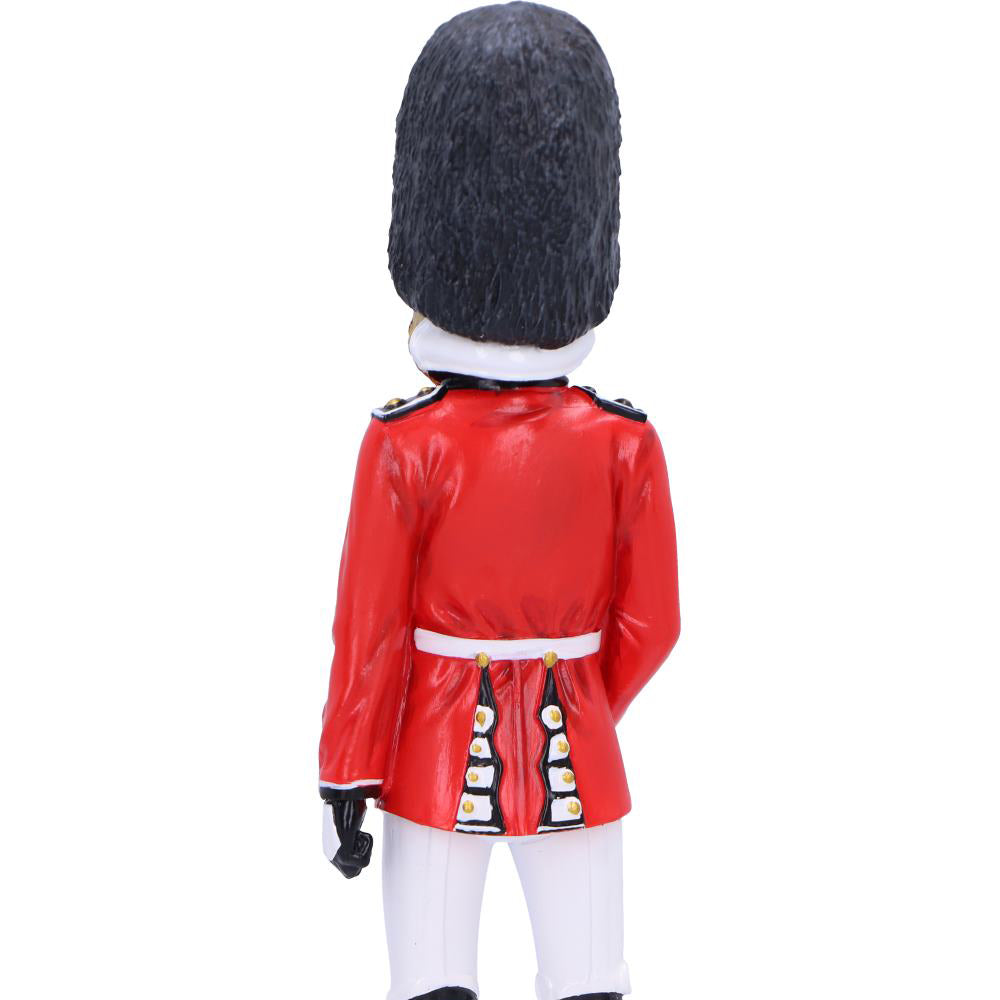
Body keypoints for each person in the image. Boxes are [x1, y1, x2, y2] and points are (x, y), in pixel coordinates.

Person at [318, 5, 680, 999]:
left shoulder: (405, 443)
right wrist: (580, 698)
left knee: (430, 979)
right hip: (579, 757)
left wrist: (348, 769)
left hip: (434, 751)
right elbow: (651, 625)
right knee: (589, 977)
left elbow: (369, 638)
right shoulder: (624, 442)